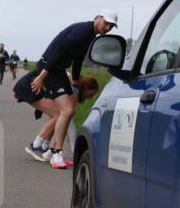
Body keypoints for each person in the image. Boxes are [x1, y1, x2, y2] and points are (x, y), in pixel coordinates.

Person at [14, 12, 117, 169]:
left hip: (59, 70)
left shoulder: (90, 36)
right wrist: (42, 76)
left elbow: (77, 62)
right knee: (67, 110)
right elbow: (60, 50)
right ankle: (56, 153)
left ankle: (45, 150)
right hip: (50, 67)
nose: (108, 27)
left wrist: (75, 87)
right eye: (106, 23)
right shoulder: (83, 30)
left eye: (111, 26)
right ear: (98, 17)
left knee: (69, 110)